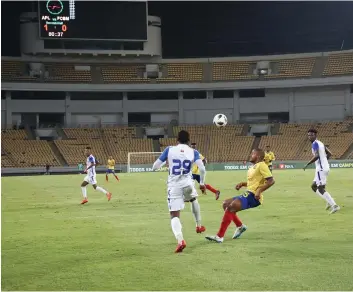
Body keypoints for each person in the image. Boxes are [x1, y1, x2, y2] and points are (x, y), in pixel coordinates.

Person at [152, 130, 206, 253]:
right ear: (188, 140)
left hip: (174, 185)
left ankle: (180, 240)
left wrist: (166, 163)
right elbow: (202, 169)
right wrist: (202, 183)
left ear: (177, 139)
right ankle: (198, 226)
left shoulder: (169, 150)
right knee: (193, 199)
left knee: (174, 215)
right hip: (188, 183)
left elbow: (155, 166)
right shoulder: (194, 152)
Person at [205, 148, 275, 243]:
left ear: (258, 156)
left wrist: (259, 190)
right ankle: (240, 226)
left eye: (253, 154)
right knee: (225, 204)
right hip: (248, 193)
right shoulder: (253, 167)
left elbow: (271, 181)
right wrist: (243, 183)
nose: (251, 155)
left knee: (232, 206)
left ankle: (219, 236)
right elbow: (254, 182)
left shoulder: (262, 165)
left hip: (254, 197)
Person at [303, 129, 340, 214]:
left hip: (321, 169)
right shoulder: (321, 143)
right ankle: (328, 200)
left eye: (311, 135)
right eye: (308, 135)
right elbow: (329, 153)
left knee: (320, 188)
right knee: (313, 186)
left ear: (315, 135)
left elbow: (316, 156)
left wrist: (308, 164)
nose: (310, 137)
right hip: (324, 167)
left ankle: (334, 206)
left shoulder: (315, 144)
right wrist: (324, 161)